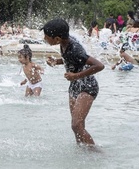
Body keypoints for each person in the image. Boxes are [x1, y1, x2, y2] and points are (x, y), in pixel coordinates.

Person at [42, 18, 104, 146]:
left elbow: (99, 65)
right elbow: (71, 59)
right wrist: (57, 61)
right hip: (75, 85)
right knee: (77, 126)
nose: (44, 39)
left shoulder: (75, 49)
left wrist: (76, 75)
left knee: (76, 125)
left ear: (57, 38)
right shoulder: (64, 42)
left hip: (87, 86)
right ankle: (82, 152)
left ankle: (97, 155)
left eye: (47, 37)